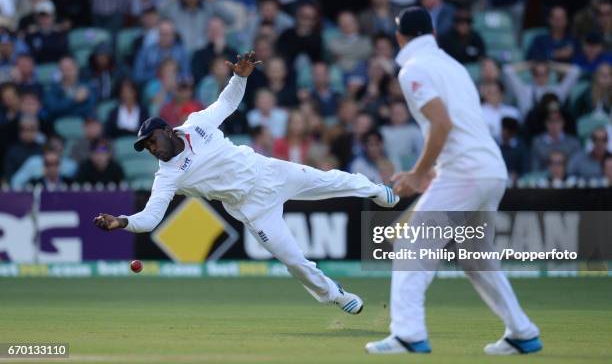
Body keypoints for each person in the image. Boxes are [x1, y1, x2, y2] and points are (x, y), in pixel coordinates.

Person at [93, 52, 401, 316]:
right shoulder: (168, 175)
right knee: (292, 260)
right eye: (146, 147)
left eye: (152, 141)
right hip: (252, 208)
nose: (151, 148)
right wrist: (122, 221)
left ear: (168, 131)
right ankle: (335, 294)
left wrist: (239, 78)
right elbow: (150, 218)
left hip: (268, 171)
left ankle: (374, 190)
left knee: (327, 179)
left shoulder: (196, 124)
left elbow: (226, 103)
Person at [365, 7, 541, 355]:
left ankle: (408, 334)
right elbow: (458, 125)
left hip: (465, 173)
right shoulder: (455, 66)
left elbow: (442, 124)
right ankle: (522, 332)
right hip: (491, 170)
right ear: (432, 32)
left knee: (410, 247)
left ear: (400, 37)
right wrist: (431, 170)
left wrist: (417, 174)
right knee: (476, 257)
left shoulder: (412, 70)